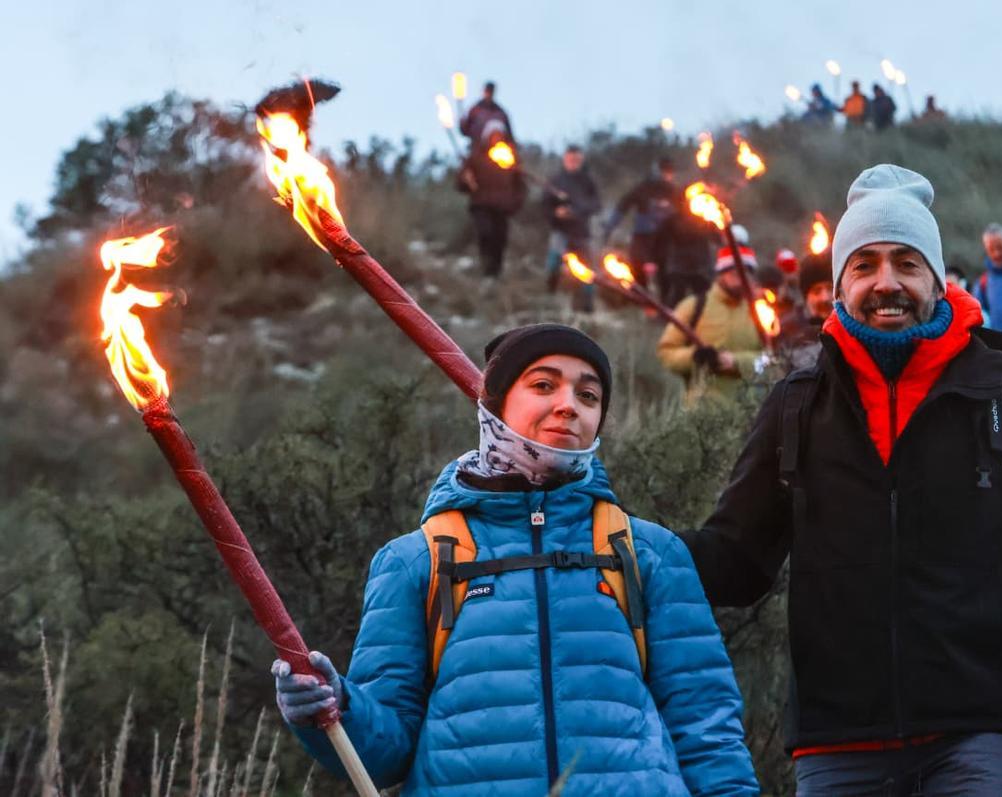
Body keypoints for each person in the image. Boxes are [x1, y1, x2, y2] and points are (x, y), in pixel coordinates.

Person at [681, 164, 1002, 796]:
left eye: (908, 263)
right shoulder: (797, 405)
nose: (887, 283)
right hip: (836, 746)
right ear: (840, 283)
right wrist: (635, 545)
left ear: (936, 280)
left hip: (978, 737)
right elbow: (738, 562)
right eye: (866, 265)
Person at [272, 324, 760, 795]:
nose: (568, 406)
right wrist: (333, 708)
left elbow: (707, 726)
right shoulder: (414, 562)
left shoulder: (649, 553)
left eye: (588, 396)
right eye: (544, 385)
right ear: (495, 403)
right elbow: (381, 756)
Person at [658, 244, 765, 407]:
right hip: (701, 414)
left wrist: (737, 362)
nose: (740, 277)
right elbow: (666, 352)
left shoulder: (762, 312)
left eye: (746, 271)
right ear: (720, 273)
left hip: (749, 412)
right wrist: (695, 357)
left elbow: (772, 359)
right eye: (733, 271)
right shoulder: (693, 306)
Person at [455, 120, 527, 278]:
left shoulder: (510, 157)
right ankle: (486, 271)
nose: (497, 138)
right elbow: (461, 183)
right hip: (481, 204)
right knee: (485, 233)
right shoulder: (475, 157)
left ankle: (495, 274)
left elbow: (520, 185)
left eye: (499, 135)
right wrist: (465, 180)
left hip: (502, 207)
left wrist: (515, 204)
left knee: (500, 240)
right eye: (493, 135)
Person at [602, 158, 678, 292]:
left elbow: (685, 211)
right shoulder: (643, 188)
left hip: (665, 238)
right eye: (665, 173)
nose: (668, 176)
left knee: (665, 269)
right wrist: (609, 227)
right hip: (643, 235)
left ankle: (665, 303)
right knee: (636, 265)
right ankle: (640, 296)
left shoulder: (673, 191)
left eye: (670, 173)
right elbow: (623, 205)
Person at [542, 145, 601, 303]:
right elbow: (545, 204)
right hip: (560, 230)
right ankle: (550, 297)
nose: (573, 162)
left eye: (576, 160)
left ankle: (587, 303)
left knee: (587, 269)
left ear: (581, 160)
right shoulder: (555, 180)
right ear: (565, 159)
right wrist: (556, 213)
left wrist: (577, 210)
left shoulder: (588, 181)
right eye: (570, 159)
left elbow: (595, 204)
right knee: (554, 263)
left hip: (581, 231)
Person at [777, 248, 834, 358]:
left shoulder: (853, 326)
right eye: (817, 291)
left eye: (830, 288)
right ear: (805, 296)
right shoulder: (788, 330)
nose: (825, 298)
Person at [458, 80, 513, 146]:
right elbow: (465, 131)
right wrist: (462, 122)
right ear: (484, 91)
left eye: (491, 92)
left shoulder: (500, 113)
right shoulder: (475, 110)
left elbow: (509, 135)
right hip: (478, 149)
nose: (489, 94)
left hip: (498, 149)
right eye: (487, 91)